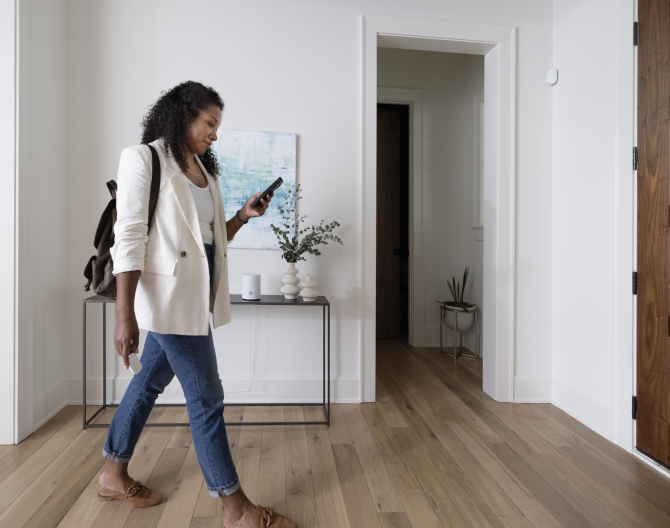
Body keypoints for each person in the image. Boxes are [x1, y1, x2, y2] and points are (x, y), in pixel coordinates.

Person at [97, 81, 298, 528]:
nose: (214, 134)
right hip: (167, 298)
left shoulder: (204, 171)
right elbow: (129, 239)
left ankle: (113, 470)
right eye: (210, 123)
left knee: (147, 383)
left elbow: (210, 238)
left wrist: (243, 217)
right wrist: (123, 315)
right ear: (185, 114)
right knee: (207, 397)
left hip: (196, 295)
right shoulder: (143, 158)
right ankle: (236, 507)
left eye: (218, 126)